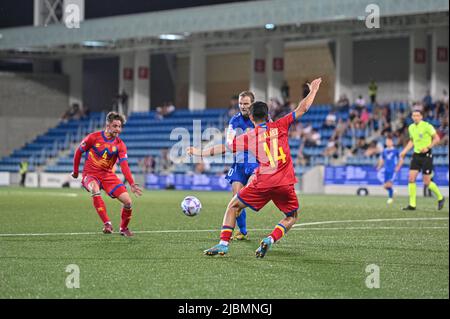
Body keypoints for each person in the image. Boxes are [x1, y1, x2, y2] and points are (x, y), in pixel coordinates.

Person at [194, 77, 322, 257]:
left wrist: (200, 152)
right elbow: (303, 108)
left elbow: (224, 148)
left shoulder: (249, 136)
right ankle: (269, 239)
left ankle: (223, 244)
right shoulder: (280, 125)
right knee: (292, 217)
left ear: (252, 117)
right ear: (267, 114)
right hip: (285, 183)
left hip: (262, 183)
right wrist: (313, 90)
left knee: (233, 206)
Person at [187, 91, 258, 241]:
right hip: (239, 163)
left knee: (246, 197)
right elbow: (229, 143)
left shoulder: (260, 118)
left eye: (246, 104)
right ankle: (243, 231)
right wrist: (201, 153)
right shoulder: (234, 120)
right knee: (235, 197)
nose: (243, 106)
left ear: (252, 103)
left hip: (256, 163)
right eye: (240, 103)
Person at [71, 111, 143, 236]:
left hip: (108, 175)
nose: (118, 129)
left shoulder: (120, 145)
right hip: (90, 174)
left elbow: (124, 165)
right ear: (108, 125)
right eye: (115, 126)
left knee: (128, 202)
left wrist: (131, 183)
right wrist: (76, 172)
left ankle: (123, 229)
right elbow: (78, 152)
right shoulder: (93, 137)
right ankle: (107, 224)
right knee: (94, 189)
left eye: (120, 127)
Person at [398, 110, 445, 211]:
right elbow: (412, 141)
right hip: (416, 155)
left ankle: (441, 197)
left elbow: (437, 138)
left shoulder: (427, 126)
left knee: (427, 182)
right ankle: (412, 205)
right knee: (411, 178)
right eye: (414, 115)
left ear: (421, 117)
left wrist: (428, 147)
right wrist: (404, 151)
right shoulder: (411, 127)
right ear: (412, 117)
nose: (415, 117)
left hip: (426, 155)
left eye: (417, 115)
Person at [376, 136, 402, 204]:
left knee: (389, 184)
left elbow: (401, 160)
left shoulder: (395, 151)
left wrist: (398, 167)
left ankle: (390, 198)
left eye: (389, 141)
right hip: (386, 170)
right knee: (385, 186)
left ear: (392, 142)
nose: (387, 143)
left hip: (392, 170)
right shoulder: (384, 151)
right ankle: (392, 191)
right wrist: (379, 166)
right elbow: (382, 160)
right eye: (386, 141)